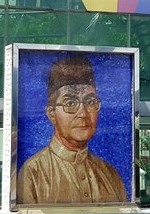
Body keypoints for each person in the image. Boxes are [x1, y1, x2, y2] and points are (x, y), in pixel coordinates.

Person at [18, 54, 127, 204]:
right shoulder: (33, 173)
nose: (83, 113)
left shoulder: (110, 174)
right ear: (51, 113)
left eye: (90, 101)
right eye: (70, 103)